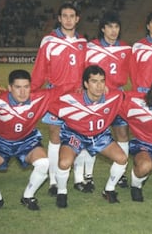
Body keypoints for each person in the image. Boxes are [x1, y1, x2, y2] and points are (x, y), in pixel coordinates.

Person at [0, 70, 73, 214]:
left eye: (26, 87)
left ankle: (28, 196)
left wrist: (87, 85)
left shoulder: (39, 98)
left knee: (43, 163)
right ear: (9, 88)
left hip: (27, 140)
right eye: (18, 87)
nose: (22, 92)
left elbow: (64, 89)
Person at [48, 65, 127, 208]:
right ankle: (61, 192)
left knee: (122, 159)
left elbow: (134, 98)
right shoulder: (70, 99)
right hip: (75, 135)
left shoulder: (114, 96)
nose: (99, 86)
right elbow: (45, 100)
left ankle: (109, 190)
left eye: (102, 81)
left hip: (100, 136)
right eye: (94, 81)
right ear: (85, 84)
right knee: (64, 163)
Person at [31, 2, 87, 196]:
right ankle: (54, 181)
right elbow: (39, 69)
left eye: (72, 16)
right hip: (55, 96)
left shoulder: (83, 43)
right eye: (65, 16)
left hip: (78, 98)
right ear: (59, 18)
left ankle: (79, 178)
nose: (68, 19)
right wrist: (31, 91)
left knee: (78, 137)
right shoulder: (49, 41)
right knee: (55, 137)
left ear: (77, 19)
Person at [82, 11, 132, 190]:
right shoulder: (91, 47)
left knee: (123, 134)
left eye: (116, 27)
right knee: (92, 135)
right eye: (110, 26)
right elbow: (83, 73)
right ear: (103, 28)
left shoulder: (126, 49)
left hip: (118, 98)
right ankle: (88, 175)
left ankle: (121, 173)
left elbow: (132, 73)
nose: (113, 30)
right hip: (96, 99)